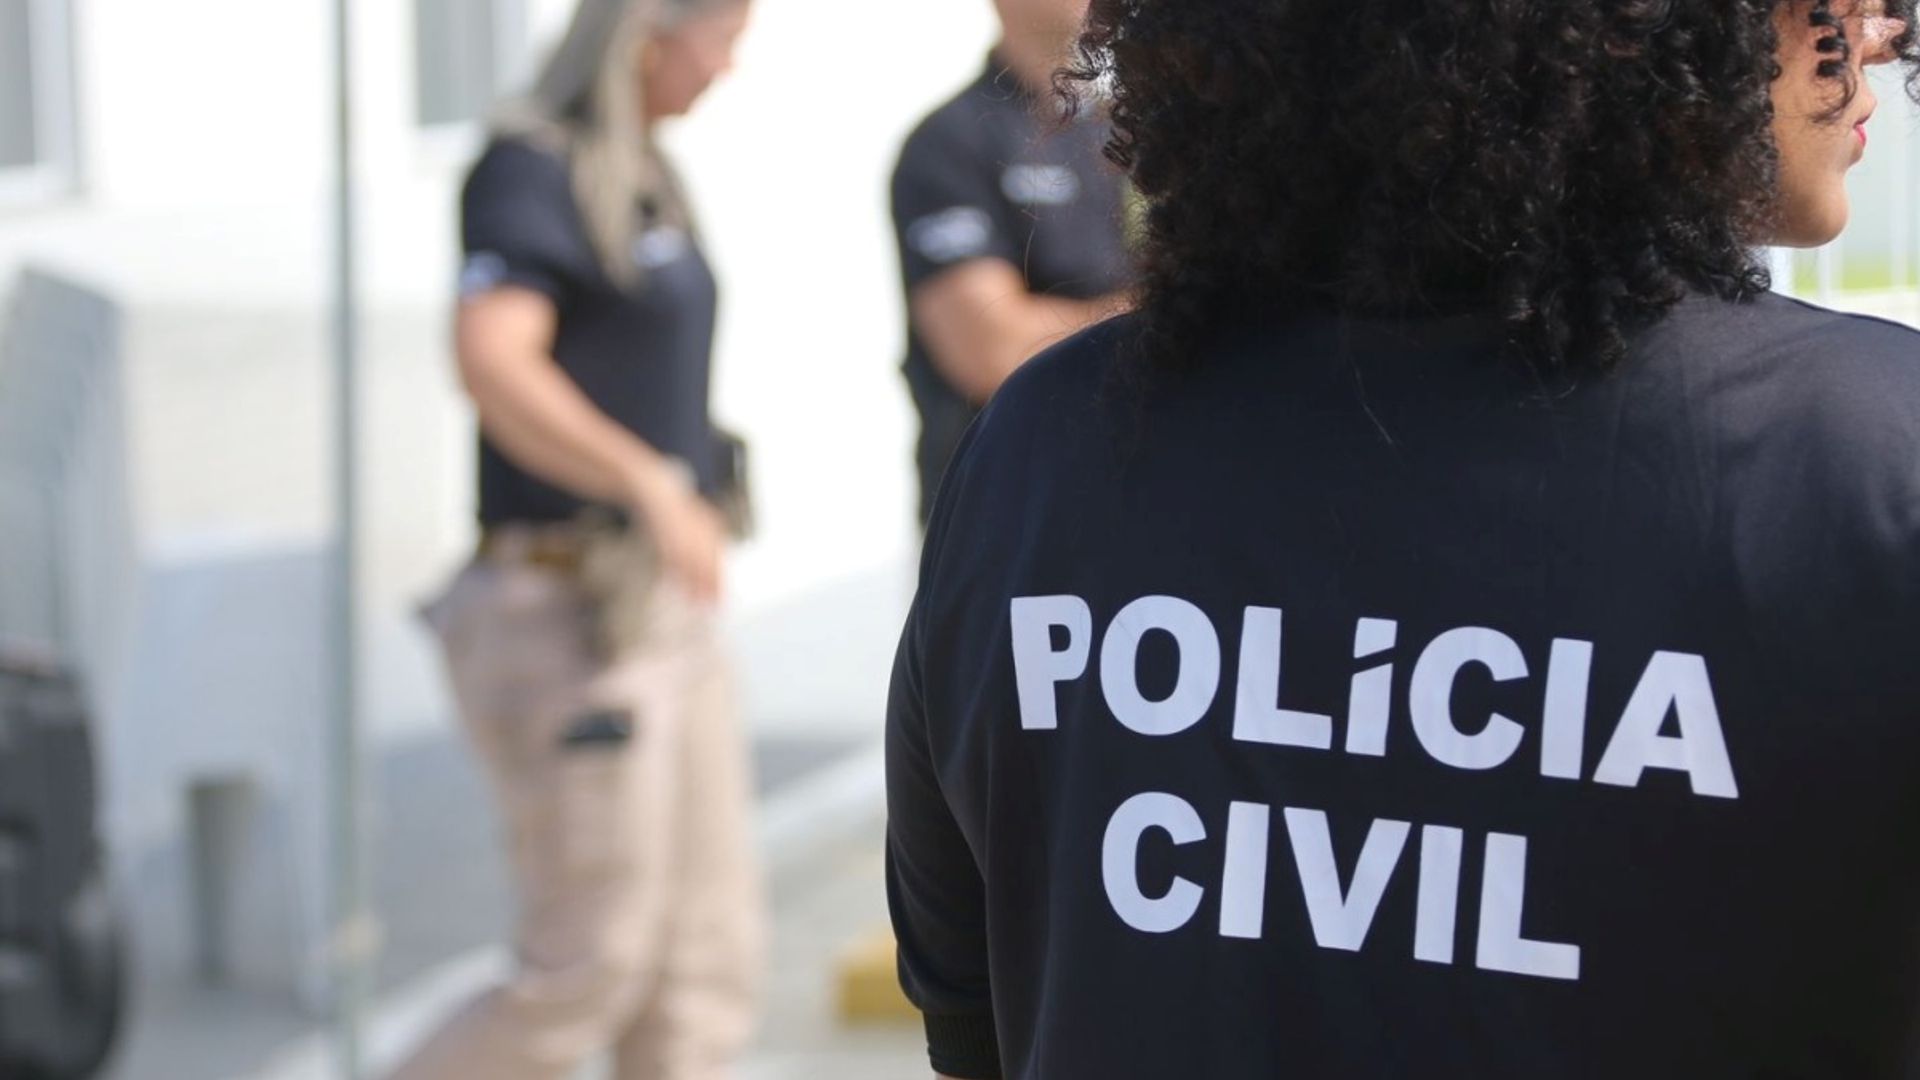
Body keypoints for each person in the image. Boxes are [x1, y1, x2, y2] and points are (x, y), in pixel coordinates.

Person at [885, 1, 1919, 1078]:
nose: (1881, 34)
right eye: (1840, 2)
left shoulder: (1046, 451)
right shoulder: (1874, 461)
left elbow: (983, 1024)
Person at [391, 1, 762, 1077]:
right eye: (721, 42)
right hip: (564, 612)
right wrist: (645, 479)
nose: (727, 70)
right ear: (648, 36)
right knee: (588, 968)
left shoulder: (642, 171)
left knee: (701, 966)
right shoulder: (530, 169)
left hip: (664, 610)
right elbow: (493, 361)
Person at [889, 0, 1133, 526]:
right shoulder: (950, 143)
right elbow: (991, 350)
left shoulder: (1121, 134)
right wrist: (1164, 312)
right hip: (1002, 517)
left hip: (1125, 498)